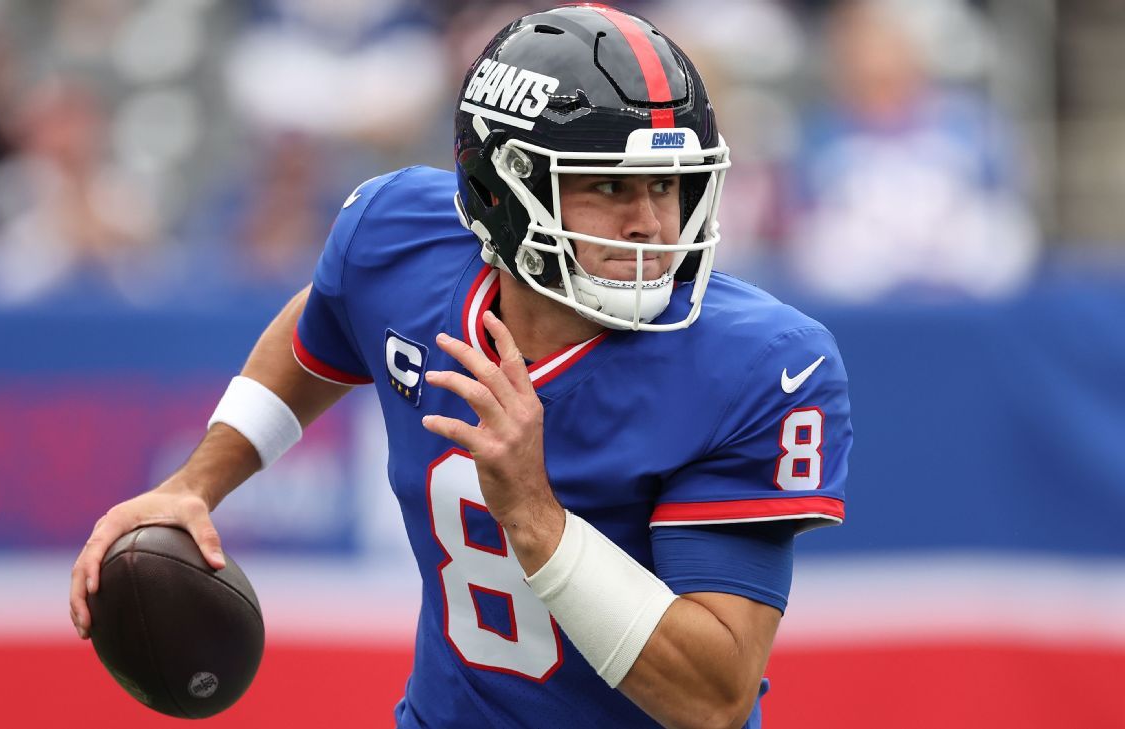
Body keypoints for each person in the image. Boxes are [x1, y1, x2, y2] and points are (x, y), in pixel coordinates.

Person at [69, 5, 852, 728]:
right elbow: (324, 319)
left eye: (668, 184)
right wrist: (194, 484)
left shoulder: (757, 365)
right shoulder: (398, 241)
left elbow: (716, 695)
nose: (650, 221)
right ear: (500, 188)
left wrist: (537, 520)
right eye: (608, 185)